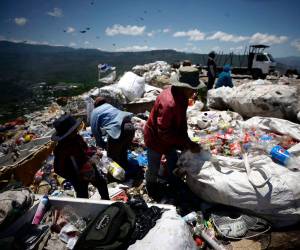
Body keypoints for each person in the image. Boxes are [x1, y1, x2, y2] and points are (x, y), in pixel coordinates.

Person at [144, 66, 202, 199]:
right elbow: (163, 133)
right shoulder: (169, 103)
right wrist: (185, 143)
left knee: (173, 161)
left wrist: (186, 140)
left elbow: (181, 121)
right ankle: (151, 187)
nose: (194, 91)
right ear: (183, 87)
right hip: (155, 139)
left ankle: (173, 181)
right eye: (192, 88)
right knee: (154, 166)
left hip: (170, 138)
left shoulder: (182, 96)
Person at [52, 114, 109, 199]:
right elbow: (58, 168)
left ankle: (106, 202)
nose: (76, 131)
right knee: (83, 193)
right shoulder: (61, 149)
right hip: (76, 175)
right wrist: (72, 176)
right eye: (73, 130)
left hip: (88, 167)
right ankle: (87, 209)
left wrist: (94, 152)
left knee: (101, 184)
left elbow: (85, 150)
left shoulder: (77, 138)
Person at [90, 97, 135, 169]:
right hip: (131, 127)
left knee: (112, 158)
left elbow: (95, 131)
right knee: (123, 152)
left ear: (95, 105)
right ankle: (127, 173)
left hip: (119, 130)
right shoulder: (109, 106)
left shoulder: (95, 111)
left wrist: (100, 145)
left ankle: (116, 178)